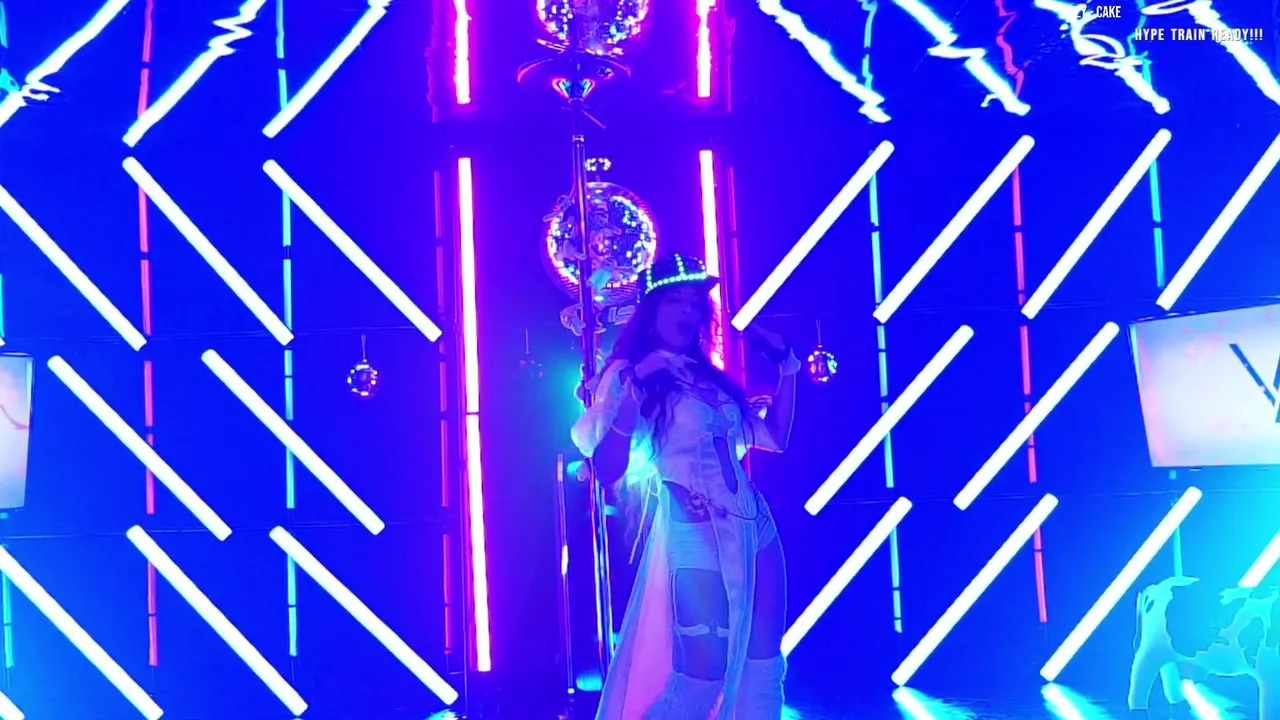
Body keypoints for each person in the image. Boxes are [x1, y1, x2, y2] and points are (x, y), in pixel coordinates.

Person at [572, 254, 799, 719]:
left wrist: (787, 368)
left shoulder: (708, 377)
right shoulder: (629, 374)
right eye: (675, 300)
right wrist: (631, 400)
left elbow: (775, 438)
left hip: (756, 525)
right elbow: (606, 469)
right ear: (651, 309)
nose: (687, 311)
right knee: (701, 680)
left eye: (695, 302)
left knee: (763, 668)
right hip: (695, 531)